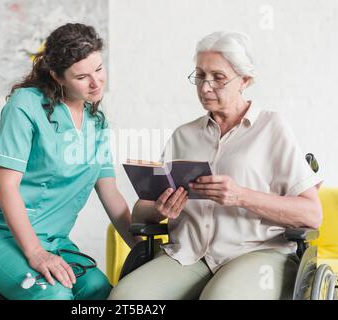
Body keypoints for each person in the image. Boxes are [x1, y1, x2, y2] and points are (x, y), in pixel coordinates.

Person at [108, 31, 323, 300]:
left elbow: (312, 214)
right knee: (125, 299)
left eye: (218, 78)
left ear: (244, 80)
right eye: (200, 76)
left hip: (256, 253)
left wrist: (240, 196)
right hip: (190, 255)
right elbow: (142, 214)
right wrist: (159, 208)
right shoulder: (184, 135)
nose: (205, 87)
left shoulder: (272, 128)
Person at [0, 23, 139, 300]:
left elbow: (110, 192)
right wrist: (35, 253)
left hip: (55, 241)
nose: (96, 82)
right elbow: (6, 187)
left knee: (100, 290)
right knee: (54, 295)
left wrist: (140, 250)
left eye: (99, 69)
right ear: (57, 76)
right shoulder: (25, 105)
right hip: (0, 236)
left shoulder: (96, 120)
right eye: (82, 76)